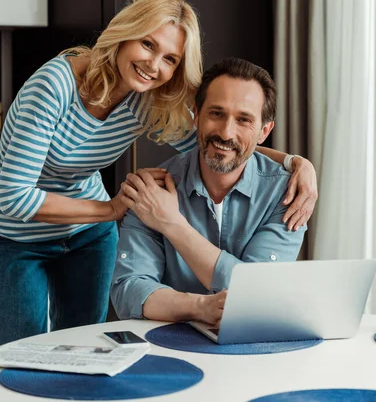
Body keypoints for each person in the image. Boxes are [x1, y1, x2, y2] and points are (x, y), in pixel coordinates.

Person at [0, 0, 315, 345]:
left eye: (170, 58)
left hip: (87, 237)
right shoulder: (55, 87)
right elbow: (13, 197)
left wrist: (296, 163)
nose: (154, 65)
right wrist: (110, 209)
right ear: (125, 33)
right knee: (23, 357)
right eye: (148, 44)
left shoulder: (146, 99)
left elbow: (219, 143)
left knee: (77, 351)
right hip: (14, 238)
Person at [111, 57, 307, 325]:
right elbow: (129, 291)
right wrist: (199, 307)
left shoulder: (287, 193)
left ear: (264, 131)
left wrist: (172, 224)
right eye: (216, 113)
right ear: (196, 116)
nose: (226, 133)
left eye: (244, 120)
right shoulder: (151, 190)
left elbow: (260, 295)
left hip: (254, 349)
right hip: (166, 344)